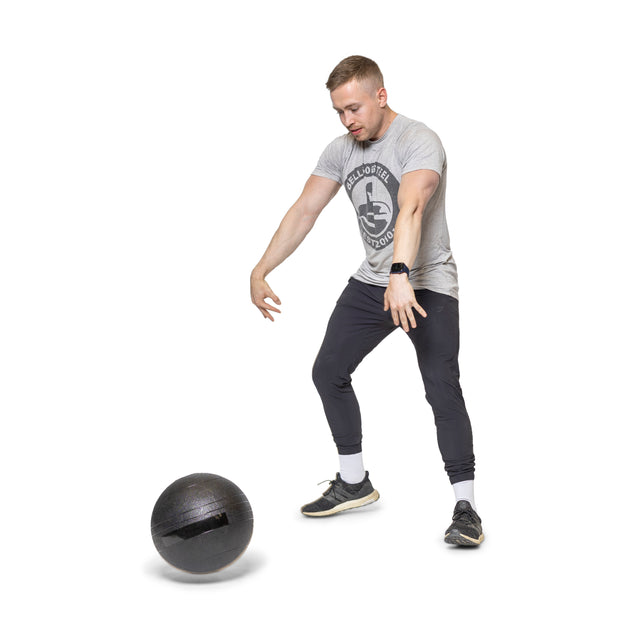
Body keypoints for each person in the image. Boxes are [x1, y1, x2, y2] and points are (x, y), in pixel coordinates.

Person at [250, 55, 484, 546]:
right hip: (372, 282)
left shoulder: (419, 140)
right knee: (327, 371)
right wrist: (262, 268)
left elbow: (413, 205)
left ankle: (466, 508)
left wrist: (402, 272)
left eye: (354, 108)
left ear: (381, 96)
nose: (347, 120)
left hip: (428, 281)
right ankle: (354, 482)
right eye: (339, 112)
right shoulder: (341, 149)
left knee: (441, 387)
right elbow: (304, 210)